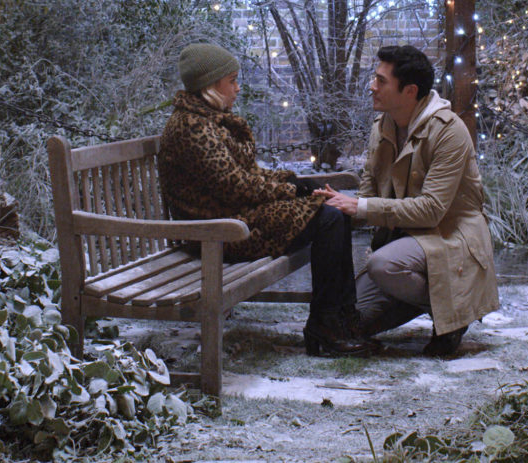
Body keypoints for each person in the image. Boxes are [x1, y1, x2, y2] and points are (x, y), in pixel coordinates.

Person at [157, 43, 376, 357]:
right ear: (210, 85)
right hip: (218, 232)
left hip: (237, 218)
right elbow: (235, 185)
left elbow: (244, 175)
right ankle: (327, 327)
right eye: (231, 80)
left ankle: (340, 321)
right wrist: (291, 189)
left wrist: (289, 180)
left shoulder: (209, 120)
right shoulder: (193, 128)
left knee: (332, 212)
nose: (237, 87)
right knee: (328, 217)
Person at [315, 45, 499, 357]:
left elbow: (431, 211)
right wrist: (332, 204)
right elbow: (368, 195)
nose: (372, 86)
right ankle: (435, 304)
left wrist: (360, 207)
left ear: (409, 90)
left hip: (448, 236)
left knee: (383, 265)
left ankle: (454, 319)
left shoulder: (449, 131)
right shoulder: (382, 127)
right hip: (404, 240)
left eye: (380, 80)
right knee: (353, 322)